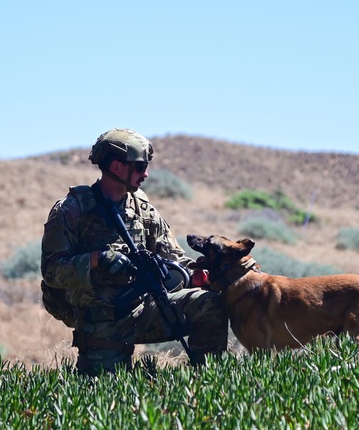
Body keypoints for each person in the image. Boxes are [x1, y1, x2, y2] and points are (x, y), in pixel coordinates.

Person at [41, 129, 228, 375]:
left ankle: (205, 384)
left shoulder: (142, 209)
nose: (146, 174)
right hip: (101, 322)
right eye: (140, 167)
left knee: (210, 305)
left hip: (147, 309)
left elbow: (174, 257)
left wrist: (197, 275)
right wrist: (98, 259)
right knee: (103, 396)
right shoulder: (71, 209)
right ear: (117, 167)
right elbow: (52, 271)